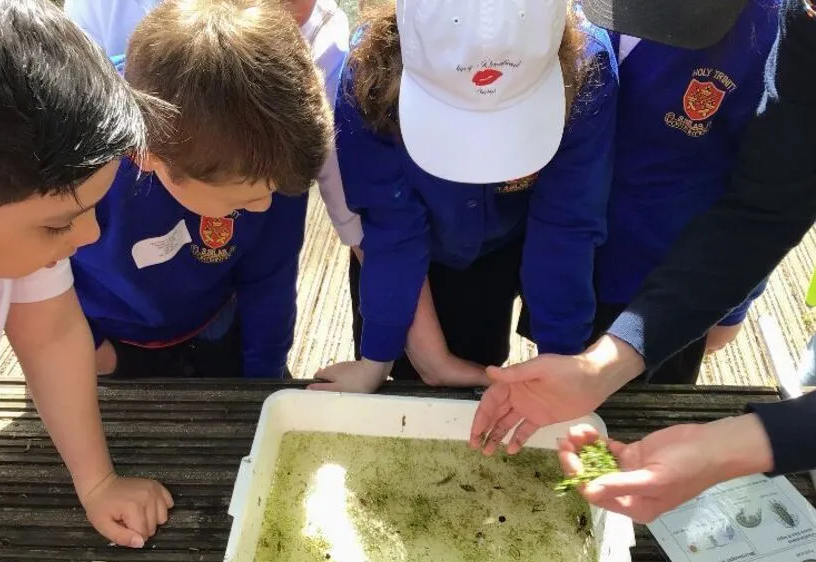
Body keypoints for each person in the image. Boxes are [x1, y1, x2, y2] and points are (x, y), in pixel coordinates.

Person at [470, 0, 816, 523]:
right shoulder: (805, 23)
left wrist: (731, 446)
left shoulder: (762, 28)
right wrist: (604, 365)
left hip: (659, 252)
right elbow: (764, 209)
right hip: (609, 262)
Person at [0, 0, 172, 548]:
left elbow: (53, 331)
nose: (89, 238)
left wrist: (98, 481)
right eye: (58, 225)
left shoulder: (4, 208)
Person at [311, 0, 619, 394]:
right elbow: (390, 226)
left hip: (500, 249)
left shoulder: (585, 66)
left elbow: (567, 226)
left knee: (484, 356)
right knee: (402, 382)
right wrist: (376, 359)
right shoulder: (370, 69)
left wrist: (561, 361)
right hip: (403, 265)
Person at [67, 0, 333, 379]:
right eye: (241, 199)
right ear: (148, 156)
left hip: (214, 321)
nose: (262, 208)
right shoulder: (80, 159)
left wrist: (264, 377)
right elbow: (41, 266)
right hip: (105, 340)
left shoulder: (274, 152)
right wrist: (93, 348)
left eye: (273, 191)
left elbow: (269, 278)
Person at [64, 0, 362, 248]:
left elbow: (274, 245)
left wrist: (354, 235)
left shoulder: (322, 33)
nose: (264, 206)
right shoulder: (99, 22)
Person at [590, 0, 779, 383]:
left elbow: (765, 194)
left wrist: (731, 306)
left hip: (664, 284)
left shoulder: (769, 28)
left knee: (644, 416)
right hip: (566, 253)